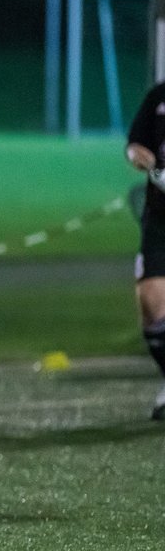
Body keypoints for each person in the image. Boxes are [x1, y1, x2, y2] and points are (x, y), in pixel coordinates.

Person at [125, 80, 165, 420]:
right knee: (151, 306)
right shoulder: (158, 96)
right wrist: (137, 154)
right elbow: (134, 144)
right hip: (160, 219)